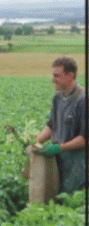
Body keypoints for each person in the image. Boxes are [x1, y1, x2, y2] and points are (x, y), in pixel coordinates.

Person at [36, 56, 86, 194]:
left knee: (71, 198)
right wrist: (35, 142)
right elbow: (51, 125)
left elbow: (84, 138)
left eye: (57, 75)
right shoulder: (58, 96)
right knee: (56, 194)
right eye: (53, 75)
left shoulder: (82, 100)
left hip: (77, 164)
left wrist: (60, 147)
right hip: (58, 160)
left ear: (70, 75)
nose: (53, 79)